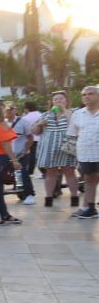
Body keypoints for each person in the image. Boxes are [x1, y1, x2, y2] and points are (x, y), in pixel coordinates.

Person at [34, 90, 81, 208]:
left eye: (61, 99)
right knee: (50, 172)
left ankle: (74, 197)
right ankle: (49, 197)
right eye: (55, 100)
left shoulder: (73, 112)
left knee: (69, 171)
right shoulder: (46, 114)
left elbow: (75, 124)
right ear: (51, 102)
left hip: (67, 146)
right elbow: (35, 131)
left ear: (66, 101)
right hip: (49, 147)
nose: (58, 101)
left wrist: (64, 110)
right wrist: (40, 124)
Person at [69, 85, 99, 219]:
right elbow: (72, 134)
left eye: (90, 94)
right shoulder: (77, 114)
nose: (86, 96)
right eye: (84, 94)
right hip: (85, 153)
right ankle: (91, 208)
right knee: (89, 180)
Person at [11, 101, 40, 204]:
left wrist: (24, 150)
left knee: (24, 172)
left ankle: (30, 194)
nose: (9, 111)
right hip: (7, 155)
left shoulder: (24, 121)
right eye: (6, 110)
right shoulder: (2, 123)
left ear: (16, 110)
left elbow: (30, 138)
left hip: (22, 154)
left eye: (11, 109)